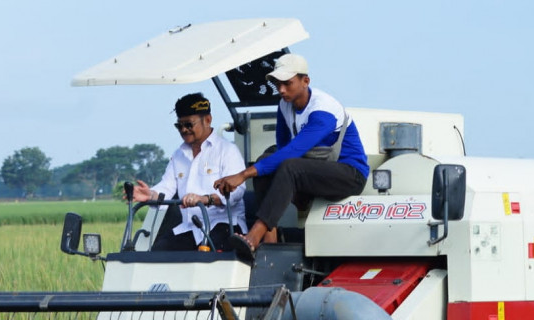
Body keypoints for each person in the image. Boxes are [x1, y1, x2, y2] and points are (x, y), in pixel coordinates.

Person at [214, 53, 368, 262]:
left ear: (305, 81)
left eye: (287, 83)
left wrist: (242, 175)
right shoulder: (285, 105)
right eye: (278, 84)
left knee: (288, 166)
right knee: (266, 161)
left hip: (349, 175)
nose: (281, 90)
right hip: (314, 172)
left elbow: (293, 151)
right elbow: (282, 147)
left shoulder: (323, 111)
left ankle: (253, 236)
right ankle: (271, 243)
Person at [129, 93, 247, 251]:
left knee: (208, 258)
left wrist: (206, 199)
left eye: (189, 125)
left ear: (208, 120)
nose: (184, 130)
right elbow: (167, 187)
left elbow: (237, 192)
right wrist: (149, 195)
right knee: (157, 253)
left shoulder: (227, 150)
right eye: (179, 126)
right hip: (191, 228)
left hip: (225, 225)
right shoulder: (178, 155)